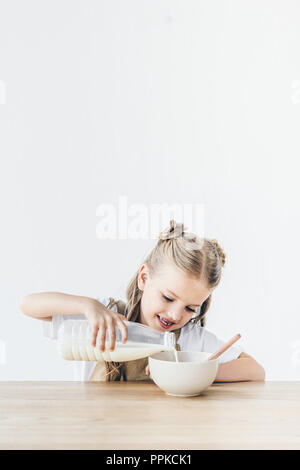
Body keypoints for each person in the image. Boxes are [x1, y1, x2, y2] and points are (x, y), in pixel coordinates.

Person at [19, 219, 265, 382]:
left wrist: (196, 372)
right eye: (168, 297)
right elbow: (28, 305)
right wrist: (87, 306)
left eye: (191, 308)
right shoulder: (106, 317)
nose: (175, 315)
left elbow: (256, 371)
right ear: (144, 278)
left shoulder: (191, 339)